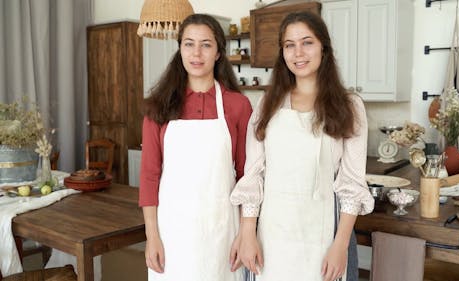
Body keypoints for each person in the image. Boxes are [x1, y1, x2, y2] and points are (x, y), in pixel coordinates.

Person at [230, 11, 374, 281]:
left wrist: (340, 245)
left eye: (307, 42)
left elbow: (352, 182)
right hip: (272, 237)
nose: (299, 53)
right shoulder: (268, 104)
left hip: (323, 237)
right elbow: (254, 173)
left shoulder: (349, 105)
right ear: (282, 53)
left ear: (323, 47)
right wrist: (247, 233)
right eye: (289, 45)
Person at [139, 14, 252, 281]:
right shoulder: (158, 107)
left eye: (206, 45)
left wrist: (245, 234)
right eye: (189, 44)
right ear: (179, 50)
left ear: (219, 53)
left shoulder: (238, 106)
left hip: (223, 232)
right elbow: (149, 176)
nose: (196, 53)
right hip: (172, 234)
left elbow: (248, 177)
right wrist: (152, 235)